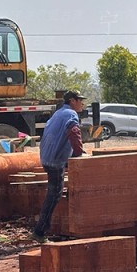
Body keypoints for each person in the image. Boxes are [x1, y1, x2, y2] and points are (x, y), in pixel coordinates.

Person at [32, 90, 87, 243]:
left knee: (54, 193)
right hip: (55, 161)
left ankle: (41, 230)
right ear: (72, 101)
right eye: (80, 100)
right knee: (54, 195)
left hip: (48, 158)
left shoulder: (59, 113)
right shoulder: (71, 114)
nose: (82, 103)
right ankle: (39, 232)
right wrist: (80, 154)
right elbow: (74, 131)